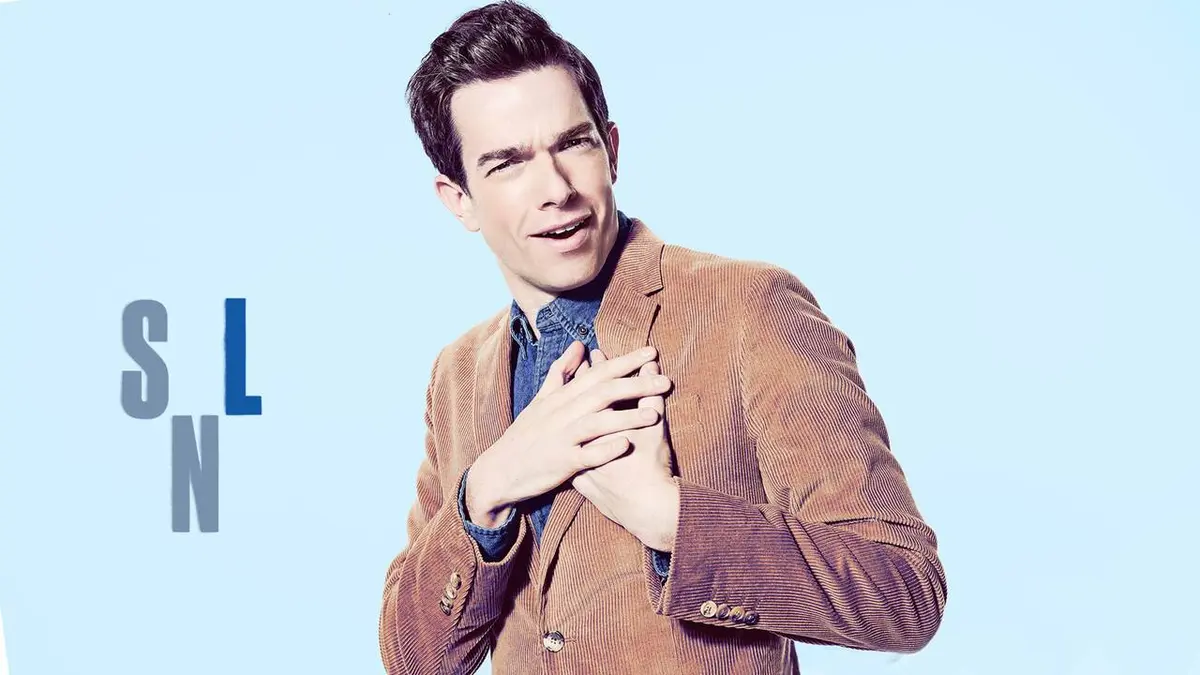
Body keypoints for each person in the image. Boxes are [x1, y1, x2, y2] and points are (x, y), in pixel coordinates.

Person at [377, 2, 948, 673]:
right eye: (508, 164)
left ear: (612, 150)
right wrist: (488, 489)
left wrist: (671, 518)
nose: (555, 189)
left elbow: (906, 594)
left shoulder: (747, 308)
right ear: (459, 199)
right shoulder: (458, 374)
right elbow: (413, 660)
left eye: (573, 144)